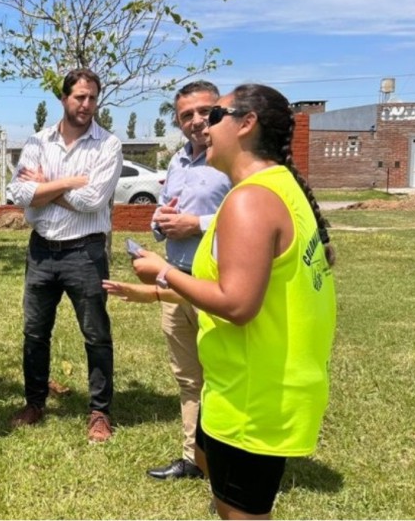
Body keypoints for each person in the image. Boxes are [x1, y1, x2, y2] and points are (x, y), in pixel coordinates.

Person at [132, 84, 337, 519]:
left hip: (253, 397)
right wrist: (155, 290)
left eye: (217, 115)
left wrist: (163, 271)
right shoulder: (281, 187)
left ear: (247, 125)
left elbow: (238, 304)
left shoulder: (249, 201)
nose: (203, 125)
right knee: (224, 494)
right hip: (257, 384)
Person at [7, 68, 123, 443]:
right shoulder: (39, 141)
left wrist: (44, 186)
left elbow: (94, 201)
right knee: (35, 332)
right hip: (42, 250)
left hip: (85, 251)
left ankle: (100, 412)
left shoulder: (108, 145)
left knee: (95, 333)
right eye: (79, 97)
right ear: (64, 98)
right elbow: (19, 193)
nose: (86, 104)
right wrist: (69, 183)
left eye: (92, 97)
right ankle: (35, 402)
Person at [147, 81, 232, 480]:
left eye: (205, 111)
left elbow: (257, 210)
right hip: (174, 280)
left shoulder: (234, 158)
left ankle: (232, 461)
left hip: (217, 284)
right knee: (187, 377)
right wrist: (162, 222)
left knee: (224, 374)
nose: (197, 121)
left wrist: (194, 223)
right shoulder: (178, 162)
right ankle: (193, 457)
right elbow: (165, 211)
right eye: (187, 115)